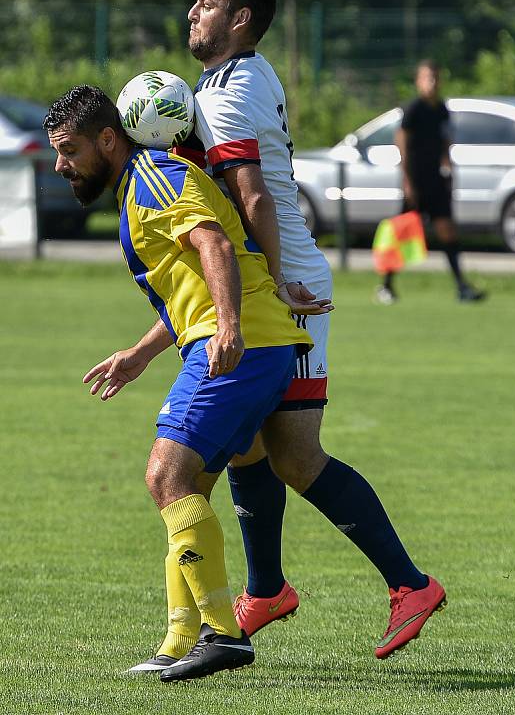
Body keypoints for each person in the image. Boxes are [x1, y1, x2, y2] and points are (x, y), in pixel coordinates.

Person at [178, 0, 445, 661]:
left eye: (207, 2)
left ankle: (409, 584)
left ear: (240, 19)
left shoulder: (231, 88)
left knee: (293, 456)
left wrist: (269, 280)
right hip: (271, 275)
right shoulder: (230, 77)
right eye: (194, 1)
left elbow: (254, 194)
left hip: (283, 282)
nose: (192, 11)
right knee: (244, 440)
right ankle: (266, 591)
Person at [44, 84, 316, 682]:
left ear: (109, 139)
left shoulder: (152, 177)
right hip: (249, 341)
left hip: (246, 344)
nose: (61, 165)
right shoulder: (137, 187)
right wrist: (138, 355)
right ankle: (180, 639)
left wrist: (230, 327)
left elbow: (214, 244)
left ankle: (225, 635)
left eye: (69, 150)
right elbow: (187, 284)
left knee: (165, 475)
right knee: (186, 483)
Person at [376, 59, 486, 304]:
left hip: (435, 182)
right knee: (401, 234)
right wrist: (406, 181)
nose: (432, 83)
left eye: (436, 77)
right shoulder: (413, 109)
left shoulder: (441, 110)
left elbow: (445, 141)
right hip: (415, 182)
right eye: (428, 78)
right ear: (418, 81)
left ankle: (461, 287)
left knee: (447, 231)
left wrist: (448, 167)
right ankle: (386, 287)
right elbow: (401, 140)